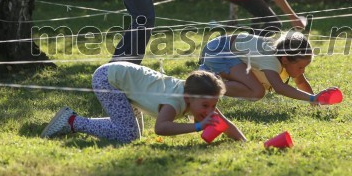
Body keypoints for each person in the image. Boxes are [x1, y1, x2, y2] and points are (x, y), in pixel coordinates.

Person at [40, 62, 246, 143]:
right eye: (206, 107)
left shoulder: (200, 96)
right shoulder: (174, 102)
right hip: (110, 80)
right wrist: (198, 126)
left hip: (127, 83)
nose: (210, 111)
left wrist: (243, 142)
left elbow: (223, 122)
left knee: (132, 134)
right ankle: (73, 121)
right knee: (127, 135)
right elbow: (161, 128)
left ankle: (76, 121)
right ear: (190, 98)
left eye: (213, 105)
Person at [199, 31, 325, 102]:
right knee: (257, 91)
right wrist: (312, 98)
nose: (302, 71)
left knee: (255, 90)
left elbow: (301, 82)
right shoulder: (272, 59)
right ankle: (204, 86)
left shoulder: (286, 58)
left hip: (221, 50)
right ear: (286, 60)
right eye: (300, 67)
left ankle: (208, 80)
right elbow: (280, 88)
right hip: (218, 51)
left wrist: (315, 101)